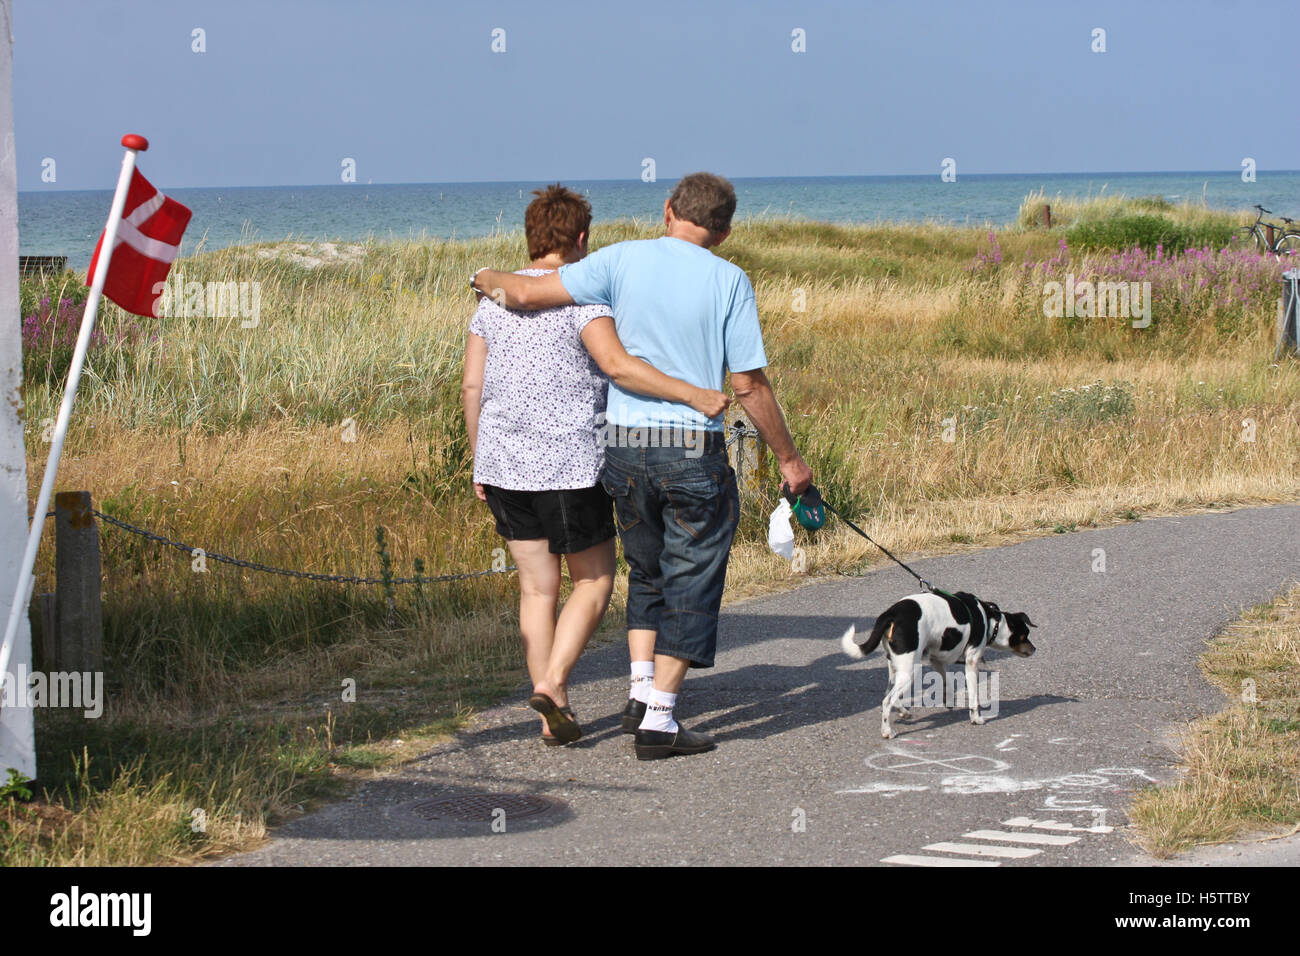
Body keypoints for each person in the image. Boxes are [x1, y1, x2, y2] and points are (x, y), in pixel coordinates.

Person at [470, 172, 813, 759]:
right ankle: (659, 717)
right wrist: (789, 457)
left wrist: (477, 275)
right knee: (694, 573)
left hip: (620, 446)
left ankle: (631, 688)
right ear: (726, 230)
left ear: (666, 211)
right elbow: (749, 386)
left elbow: (519, 299)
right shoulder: (730, 279)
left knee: (645, 567)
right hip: (684, 447)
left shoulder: (617, 260)